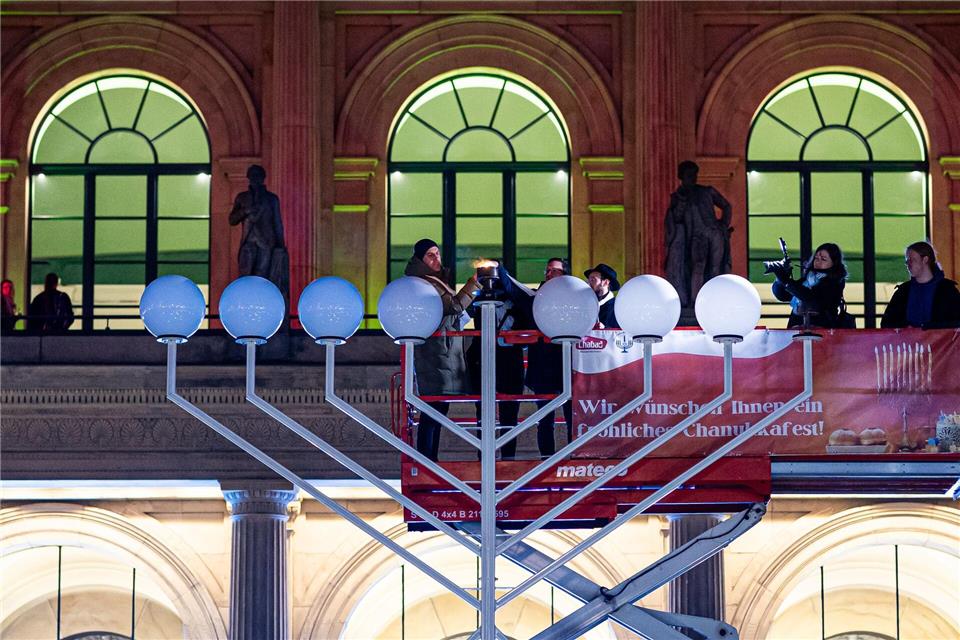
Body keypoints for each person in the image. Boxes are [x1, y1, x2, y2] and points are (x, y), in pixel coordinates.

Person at [405, 238, 480, 461]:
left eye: (437, 253)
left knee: (438, 408)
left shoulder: (433, 281)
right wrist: (474, 283)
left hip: (444, 353)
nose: (436, 258)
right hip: (435, 353)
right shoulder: (424, 283)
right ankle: (427, 459)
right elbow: (453, 306)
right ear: (420, 259)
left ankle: (429, 458)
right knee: (434, 408)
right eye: (430, 254)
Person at [465, 260, 532, 460]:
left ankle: (508, 457)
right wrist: (474, 287)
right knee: (482, 413)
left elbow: (525, 299)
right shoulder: (477, 301)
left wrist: (500, 268)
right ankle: (483, 456)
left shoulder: (516, 300)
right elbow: (461, 312)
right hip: (482, 358)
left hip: (509, 359)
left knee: (509, 411)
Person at [664, 160, 733, 308]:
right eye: (689, 175)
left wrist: (723, 224)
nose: (693, 178)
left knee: (715, 267)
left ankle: (714, 299)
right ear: (681, 176)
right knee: (698, 267)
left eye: (695, 175)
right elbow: (675, 219)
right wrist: (681, 201)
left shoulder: (707, 191)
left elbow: (726, 206)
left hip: (715, 232)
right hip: (697, 236)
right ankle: (696, 301)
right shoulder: (678, 197)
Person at [525, 258, 575, 458]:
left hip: (568, 368)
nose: (548, 274)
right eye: (547, 270)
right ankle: (546, 460)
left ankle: (574, 459)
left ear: (564, 275)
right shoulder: (536, 298)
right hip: (542, 369)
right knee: (544, 420)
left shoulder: (575, 299)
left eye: (553, 271)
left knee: (573, 418)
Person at [229, 164, 288, 295]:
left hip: (266, 243)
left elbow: (277, 223)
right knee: (245, 277)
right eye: (253, 176)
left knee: (263, 278)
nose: (255, 179)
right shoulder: (242, 197)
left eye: (258, 176)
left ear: (263, 178)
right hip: (248, 243)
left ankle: (262, 301)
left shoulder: (271, 199)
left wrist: (280, 246)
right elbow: (232, 220)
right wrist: (245, 211)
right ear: (248, 178)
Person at [881, 241, 960, 329]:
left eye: (912, 260)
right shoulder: (903, 291)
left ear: (925, 260)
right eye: (907, 261)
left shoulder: (947, 290)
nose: (908, 264)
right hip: (908, 342)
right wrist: (905, 326)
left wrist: (928, 328)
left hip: (937, 342)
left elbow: (956, 322)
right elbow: (886, 323)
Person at [770, 243, 847, 328]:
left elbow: (811, 297)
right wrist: (780, 278)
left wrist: (787, 281)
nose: (818, 261)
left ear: (834, 263)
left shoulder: (835, 281)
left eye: (823, 259)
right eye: (816, 258)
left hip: (822, 330)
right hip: (797, 328)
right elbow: (783, 296)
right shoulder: (809, 278)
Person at [584, 263, 620, 329]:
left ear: (606, 282)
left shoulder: (618, 307)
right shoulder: (586, 304)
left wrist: (605, 328)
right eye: (588, 280)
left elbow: (622, 333)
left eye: (593, 280)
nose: (589, 284)